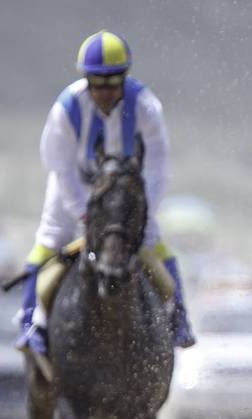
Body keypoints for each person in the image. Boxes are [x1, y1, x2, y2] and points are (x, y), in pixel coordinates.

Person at [15, 31, 196, 355]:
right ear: (87, 80)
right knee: (50, 240)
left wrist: (143, 211)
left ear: (125, 78)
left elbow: (157, 169)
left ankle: (179, 318)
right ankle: (30, 323)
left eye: (114, 84)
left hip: (127, 194)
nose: (106, 92)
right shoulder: (68, 107)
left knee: (154, 242)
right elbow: (60, 167)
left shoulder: (146, 106)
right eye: (98, 84)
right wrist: (84, 213)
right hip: (75, 187)